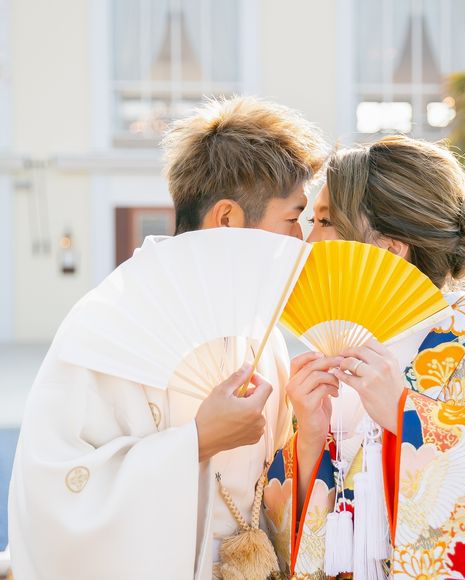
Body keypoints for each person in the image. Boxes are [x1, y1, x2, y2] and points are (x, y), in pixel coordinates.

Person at [9, 96, 330, 580]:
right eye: (292, 219)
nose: (300, 242)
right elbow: (57, 495)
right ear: (227, 219)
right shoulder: (108, 325)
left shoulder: (261, 334)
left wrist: (309, 431)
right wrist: (197, 442)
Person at [263, 135, 465, 578]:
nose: (309, 240)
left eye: (326, 221)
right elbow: (282, 540)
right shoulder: (335, 342)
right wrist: (310, 439)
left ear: (390, 247)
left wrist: (409, 414)